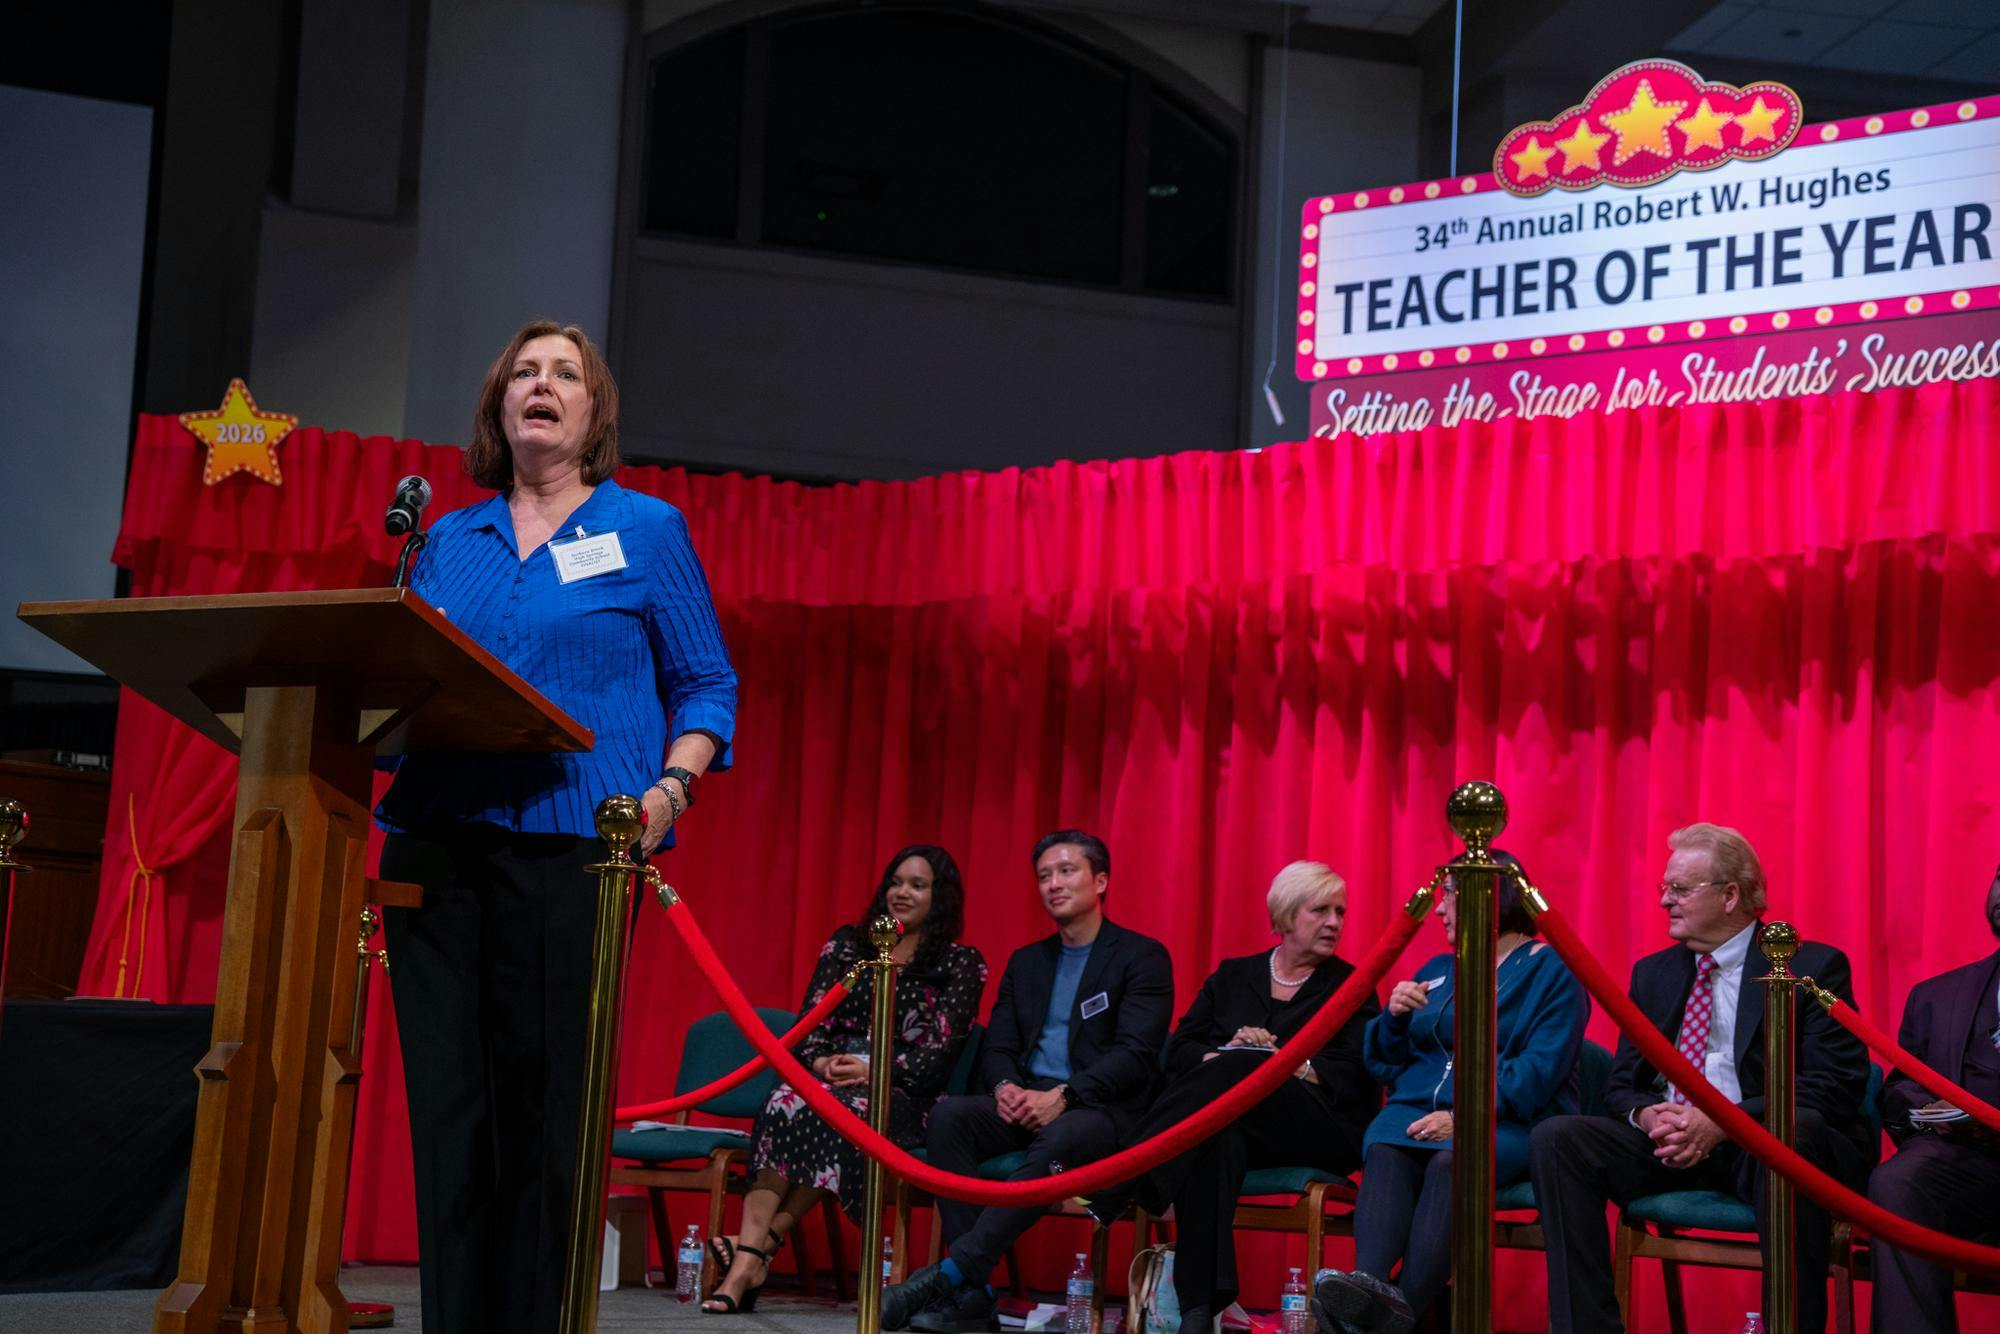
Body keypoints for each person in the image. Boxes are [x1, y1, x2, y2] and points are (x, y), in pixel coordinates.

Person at [375, 320, 737, 1333]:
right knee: (452, 1116)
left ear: (592, 411)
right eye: (522, 372)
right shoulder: (447, 539)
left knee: (548, 1119)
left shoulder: (646, 528)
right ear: (498, 407)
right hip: (440, 842)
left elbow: (706, 682)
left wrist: (669, 789)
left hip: (576, 848)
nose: (541, 384)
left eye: (563, 374)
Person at [1527, 823, 1872, 1334]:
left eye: (1681, 889)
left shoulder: (1808, 965)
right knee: (1560, 1139)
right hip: (1669, 1146)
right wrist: (1646, 1114)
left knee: (1795, 1137)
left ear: (1731, 895)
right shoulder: (1654, 974)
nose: (1665, 901)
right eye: (1664, 888)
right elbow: (1621, 1084)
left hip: (1761, 1147)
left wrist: (1719, 1122)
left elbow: (1834, 1086)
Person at [881, 830, 1173, 1333]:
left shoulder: (1141, 957)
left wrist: (1067, 1095)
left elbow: (1136, 1055)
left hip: (1100, 1112)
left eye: (1066, 871)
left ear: (1100, 880)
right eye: (1044, 875)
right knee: (951, 1117)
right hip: (1027, 1102)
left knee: (1064, 1135)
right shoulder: (1027, 961)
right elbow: (999, 1047)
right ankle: (975, 1294)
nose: (1053, 884)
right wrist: (1004, 1088)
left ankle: (952, 1274)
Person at [1091, 861, 1381, 1331]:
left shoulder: (1352, 986)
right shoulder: (1233, 975)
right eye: (1321, 910)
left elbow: (1358, 1074)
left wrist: (1282, 1061)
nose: (1334, 923)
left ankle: (1127, 1167)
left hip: (1319, 1124)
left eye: (1340, 912)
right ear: (1286, 917)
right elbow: (1180, 1049)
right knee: (1214, 1137)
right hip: (1235, 1119)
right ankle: (1199, 1311)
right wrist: (1223, 1057)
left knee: (1248, 1066)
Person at [701, 846, 987, 1314]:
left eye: (917, 885)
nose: (901, 893)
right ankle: (751, 1258)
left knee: (845, 1116)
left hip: (904, 1094)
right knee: (782, 1103)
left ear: (941, 897)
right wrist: (820, 1064)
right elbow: (808, 1024)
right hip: (832, 1080)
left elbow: (941, 1054)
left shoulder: (959, 964)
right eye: (895, 882)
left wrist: (875, 1070)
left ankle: (751, 1256)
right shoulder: (849, 945)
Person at [1316, 850, 1586, 1333]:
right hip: (1416, 1112)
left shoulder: (1553, 971)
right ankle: (1370, 1287)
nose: (1439, 910)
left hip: (1510, 1122)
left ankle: (1390, 1316)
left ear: (1489, 898)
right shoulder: (1442, 965)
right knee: (1385, 1148)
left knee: (1451, 1161)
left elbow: (1539, 1071)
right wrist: (1393, 1019)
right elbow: (1385, 1063)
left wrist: (1469, 1115)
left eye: (1450, 897)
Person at [1865, 862, 2000, 1334]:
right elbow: (1901, 1086)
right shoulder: (1936, 996)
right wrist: (1928, 1115)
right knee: (1898, 1184)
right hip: (1964, 1161)